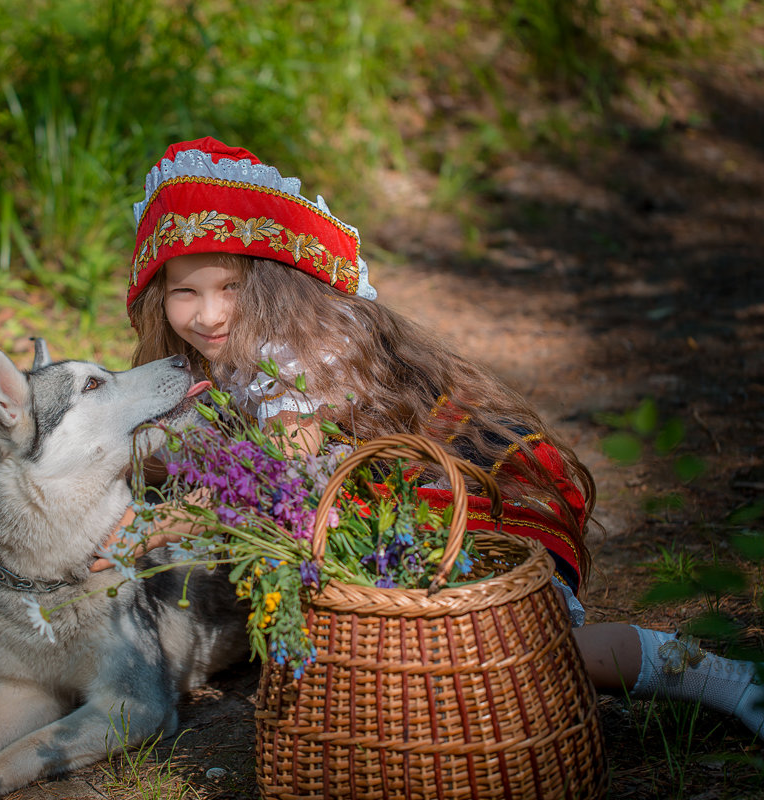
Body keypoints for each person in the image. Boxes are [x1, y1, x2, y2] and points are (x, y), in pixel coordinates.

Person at [96, 136, 764, 735]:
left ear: (269, 282)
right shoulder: (212, 361)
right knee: (424, 673)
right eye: (186, 292)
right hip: (368, 517)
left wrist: (172, 521)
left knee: (528, 646)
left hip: (454, 502)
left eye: (230, 286)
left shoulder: (295, 357)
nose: (208, 313)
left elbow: (280, 480)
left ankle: (722, 679)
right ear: (158, 295)